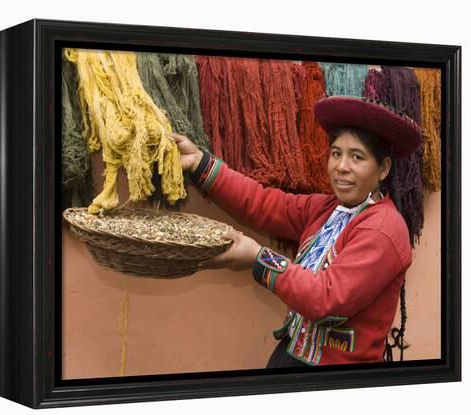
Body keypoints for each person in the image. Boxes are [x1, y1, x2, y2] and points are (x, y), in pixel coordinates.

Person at [171, 95, 423, 367]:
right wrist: (198, 162)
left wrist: (258, 258)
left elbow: (327, 298)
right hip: (291, 354)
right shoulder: (325, 209)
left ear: (383, 168)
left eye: (357, 157)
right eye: (336, 153)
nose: (341, 167)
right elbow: (262, 202)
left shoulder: (384, 229)